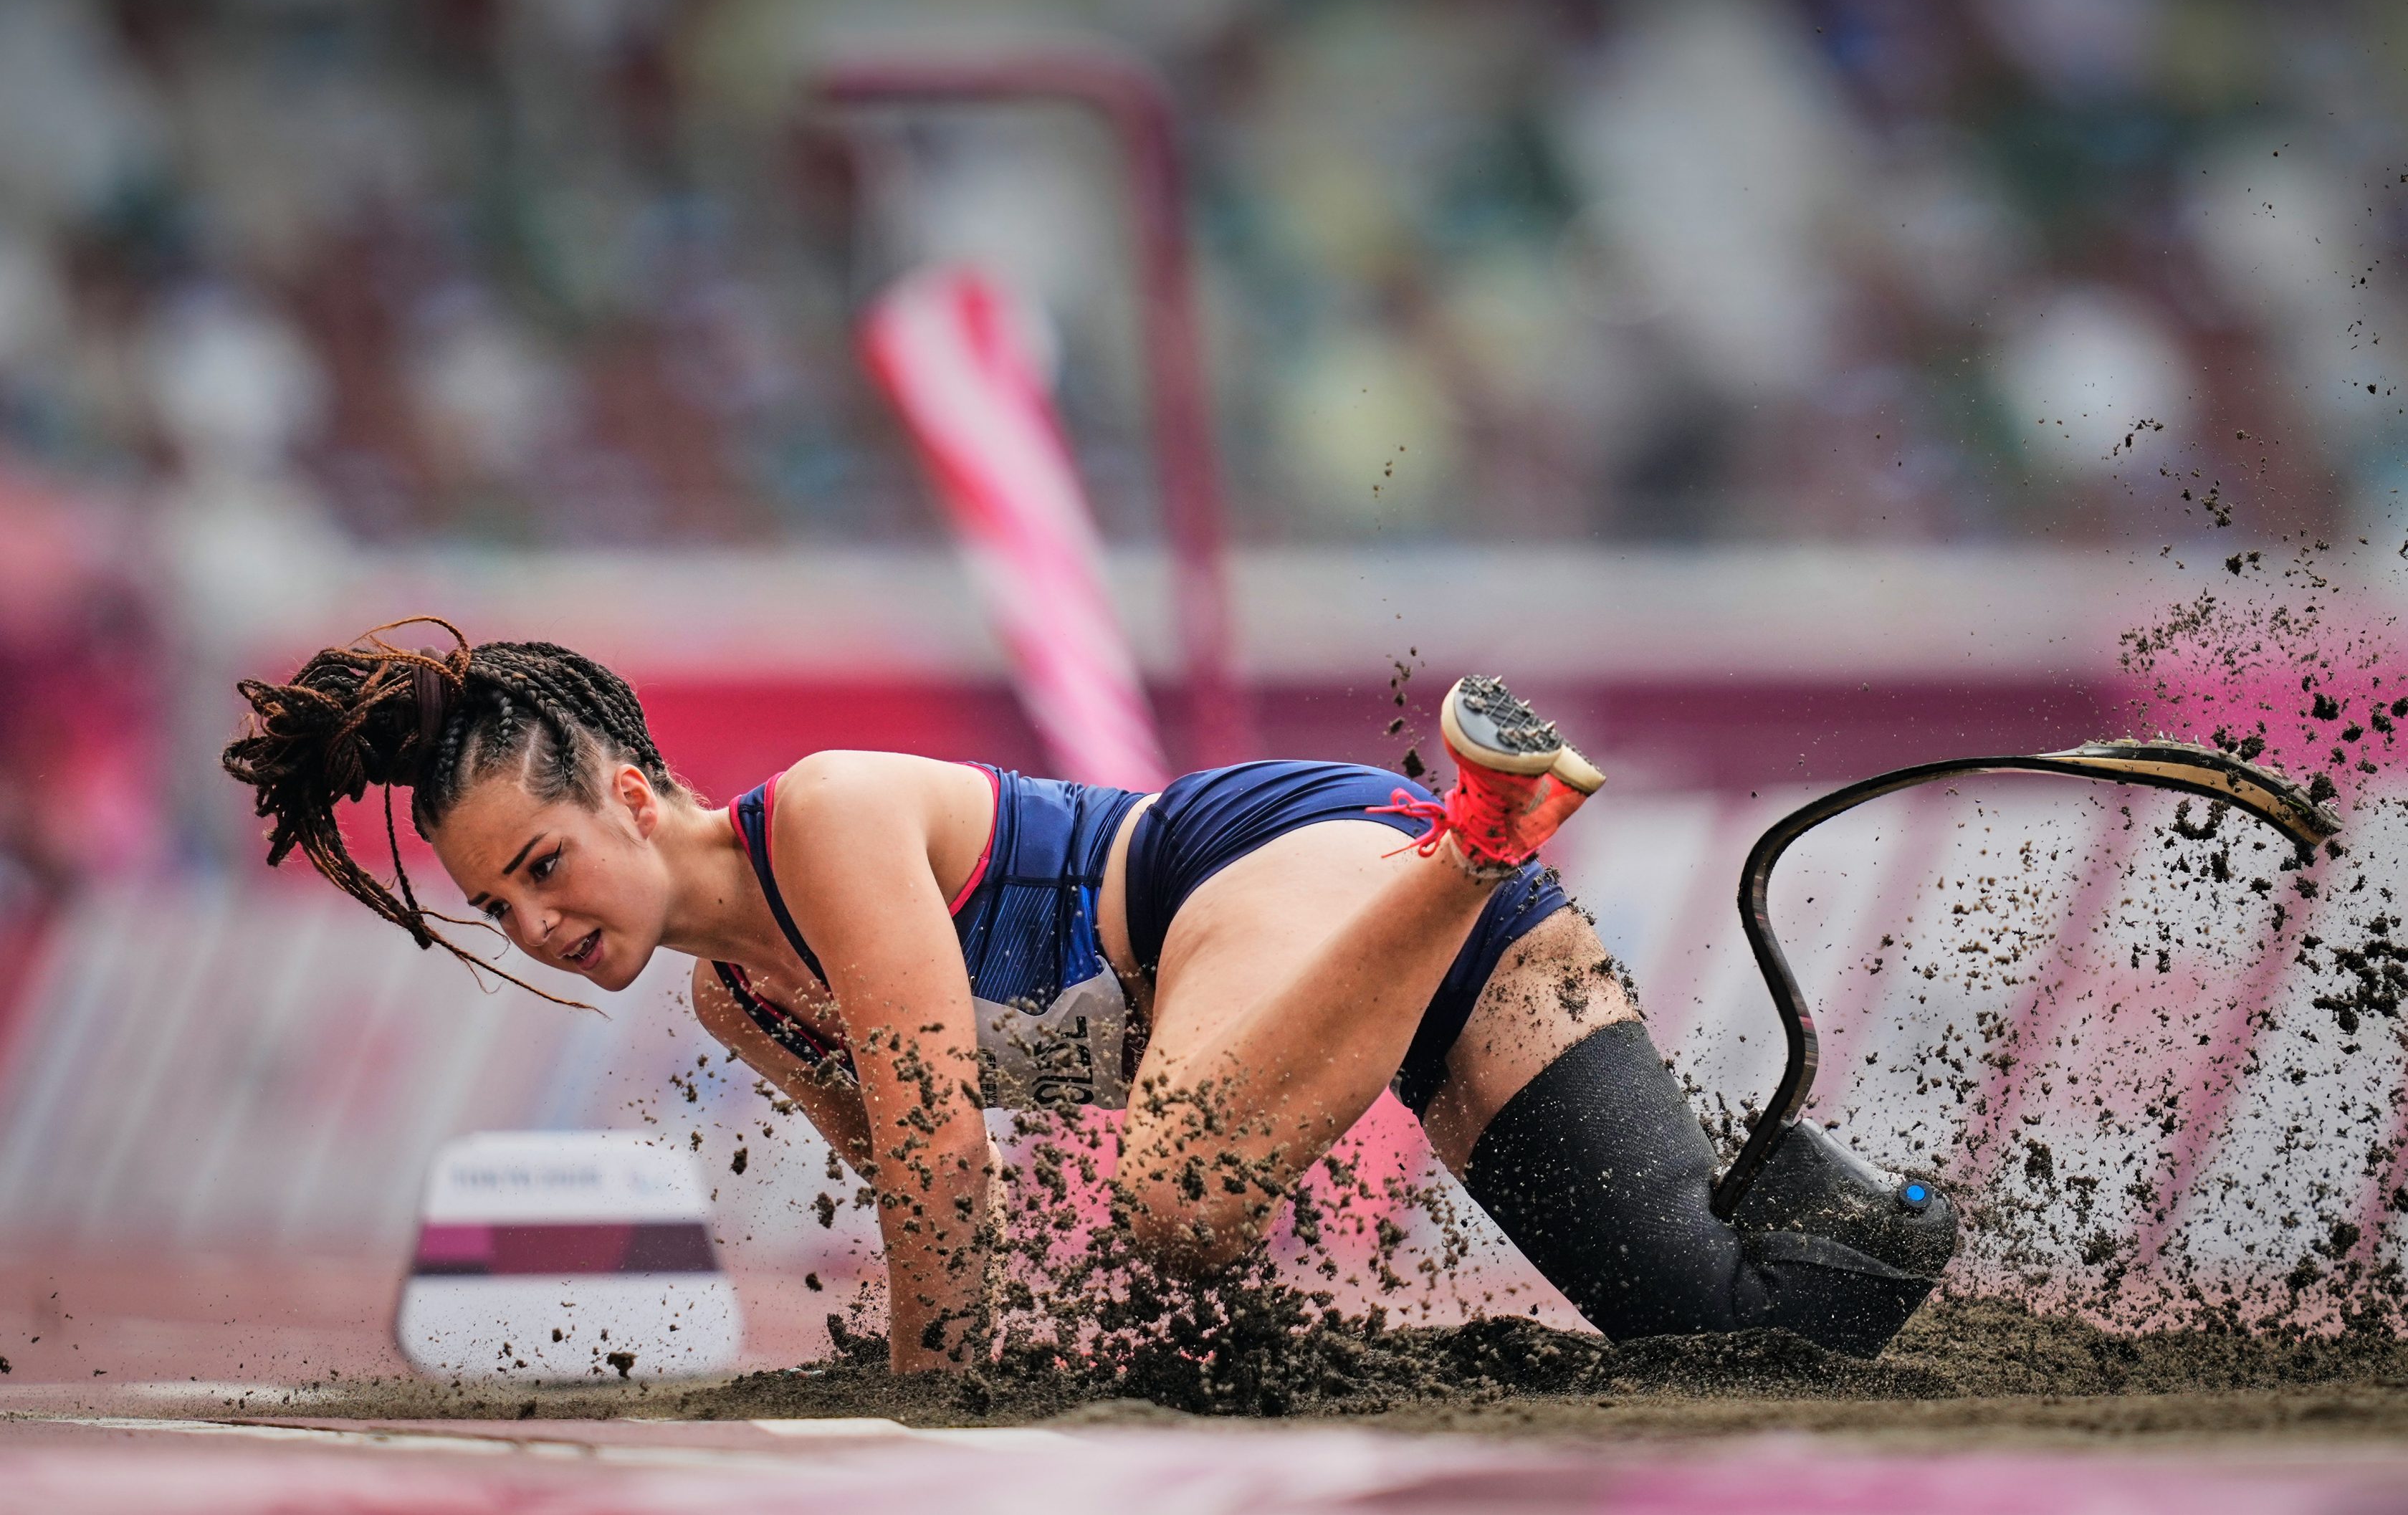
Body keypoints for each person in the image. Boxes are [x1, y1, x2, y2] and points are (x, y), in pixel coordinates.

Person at [223, 619, 1955, 1371]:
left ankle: (1477, 830)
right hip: (1365, 982)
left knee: (1178, 1192)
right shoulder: (739, 1006)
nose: (534, 921)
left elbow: (937, 1154)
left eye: (543, 862)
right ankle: (1898, 1210)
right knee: (1717, 1319)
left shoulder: (821, 817)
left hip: (1270, 869)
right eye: (494, 903)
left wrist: (927, 1415)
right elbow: (932, 1208)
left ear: (625, 791)